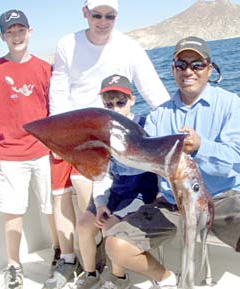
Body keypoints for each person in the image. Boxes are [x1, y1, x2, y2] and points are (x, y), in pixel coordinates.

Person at [103, 36, 240, 289]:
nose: (189, 71)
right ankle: (167, 279)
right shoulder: (158, 115)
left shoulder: (231, 105)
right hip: (173, 201)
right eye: (181, 64)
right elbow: (143, 163)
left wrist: (201, 146)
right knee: (115, 244)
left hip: (222, 197)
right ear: (173, 69)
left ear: (209, 68)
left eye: (197, 64)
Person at [43, 0, 170, 288]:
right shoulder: (67, 44)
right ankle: (75, 261)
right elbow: (59, 92)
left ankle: (114, 269)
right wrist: (60, 139)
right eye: (96, 14)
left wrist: (175, 132)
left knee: (104, 205)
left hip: (119, 144)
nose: (102, 21)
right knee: (79, 197)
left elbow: (156, 94)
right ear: (85, 13)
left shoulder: (130, 47)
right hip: (81, 141)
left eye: (109, 15)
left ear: (117, 16)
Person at [0, 9, 59, 289]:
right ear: (2, 36)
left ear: (30, 31)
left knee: (52, 207)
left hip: (45, 151)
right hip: (10, 155)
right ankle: (14, 264)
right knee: (13, 211)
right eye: (10, 32)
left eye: (20, 30)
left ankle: (60, 253)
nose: (16, 36)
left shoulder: (43, 68)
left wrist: (58, 144)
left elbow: (55, 110)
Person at [74, 74, 159, 289]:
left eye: (120, 102)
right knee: (84, 226)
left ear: (132, 100)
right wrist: (101, 203)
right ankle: (90, 272)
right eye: (109, 104)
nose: (115, 108)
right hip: (115, 188)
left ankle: (119, 278)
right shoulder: (103, 133)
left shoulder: (147, 126)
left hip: (141, 190)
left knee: (109, 227)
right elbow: (102, 174)